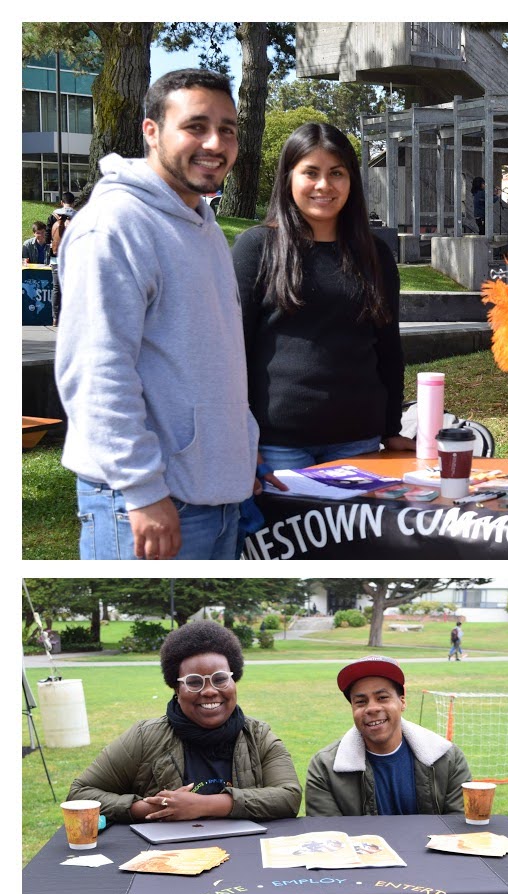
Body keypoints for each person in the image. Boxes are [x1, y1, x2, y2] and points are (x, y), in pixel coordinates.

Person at [55, 68, 263, 560]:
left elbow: (216, 358)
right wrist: (143, 489)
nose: (215, 142)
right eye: (195, 126)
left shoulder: (202, 222)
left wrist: (242, 443)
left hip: (217, 498)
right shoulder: (113, 226)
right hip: (145, 505)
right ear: (151, 131)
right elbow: (95, 372)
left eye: (228, 129)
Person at [232, 122, 410, 471]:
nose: (324, 185)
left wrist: (391, 429)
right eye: (310, 172)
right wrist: (239, 435)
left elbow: (389, 347)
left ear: (351, 181)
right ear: (288, 177)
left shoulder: (375, 254)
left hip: (358, 441)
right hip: (276, 445)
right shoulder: (256, 248)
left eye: (337, 173)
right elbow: (232, 351)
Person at [67, 622, 301, 823]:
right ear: (176, 689)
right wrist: (148, 809)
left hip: (244, 856)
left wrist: (205, 805)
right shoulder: (144, 737)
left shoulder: (258, 736)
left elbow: (289, 797)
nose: (209, 691)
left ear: (234, 681)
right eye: (194, 682)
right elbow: (79, 795)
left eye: (220, 679)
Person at [304, 656, 471, 816]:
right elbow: (329, 836)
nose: (372, 708)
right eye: (361, 702)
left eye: (382, 698)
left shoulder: (447, 759)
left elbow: (458, 829)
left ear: (402, 702)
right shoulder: (325, 768)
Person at [49, 213, 70, 327]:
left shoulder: (52, 219)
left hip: (55, 258)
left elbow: (48, 238)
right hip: (68, 258)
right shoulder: (75, 218)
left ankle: (55, 318)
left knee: (56, 288)